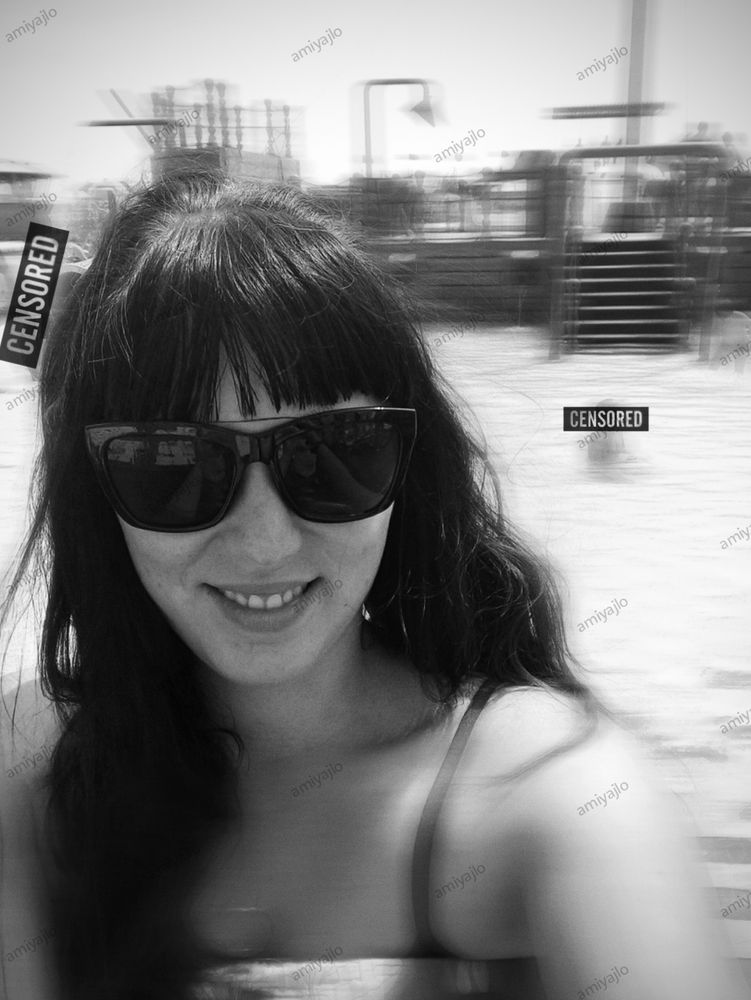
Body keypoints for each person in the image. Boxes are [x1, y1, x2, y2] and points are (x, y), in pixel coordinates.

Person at [0, 170, 744, 1000]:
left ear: (408, 469)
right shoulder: (30, 769)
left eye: (333, 450)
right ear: (96, 496)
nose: (263, 539)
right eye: (173, 463)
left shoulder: (555, 796)